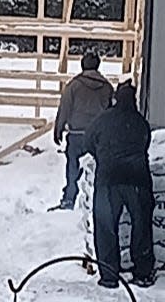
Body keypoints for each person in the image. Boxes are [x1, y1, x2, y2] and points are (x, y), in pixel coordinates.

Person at [85, 82, 156, 289]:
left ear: (115, 99)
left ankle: (109, 275)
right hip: (137, 180)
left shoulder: (102, 120)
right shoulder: (139, 122)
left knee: (106, 227)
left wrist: (103, 155)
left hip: (108, 179)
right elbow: (146, 143)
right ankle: (142, 272)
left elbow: (88, 142)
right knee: (141, 226)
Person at [53, 50, 113, 210]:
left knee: (73, 166)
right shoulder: (107, 87)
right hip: (98, 136)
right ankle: (95, 199)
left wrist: (58, 128)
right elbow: (110, 111)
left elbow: (65, 108)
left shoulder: (73, 86)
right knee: (97, 168)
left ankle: (70, 198)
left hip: (76, 134)